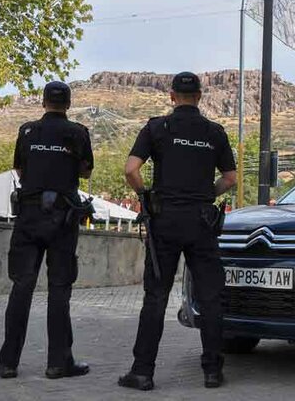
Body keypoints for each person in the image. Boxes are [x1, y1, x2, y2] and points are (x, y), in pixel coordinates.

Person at [118, 71, 236, 391]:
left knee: (155, 298)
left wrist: (146, 196)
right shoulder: (215, 132)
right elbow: (230, 179)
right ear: (199, 96)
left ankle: (142, 372)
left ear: (172, 96)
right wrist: (205, 196)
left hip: (165, 220)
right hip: (200, 222)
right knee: (211, 297)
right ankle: (212, 371)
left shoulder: (157, 128)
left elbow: (131, 169)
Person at [0, 81, 94, 380]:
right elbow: (86, 170)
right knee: (59, 291)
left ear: (43, 103)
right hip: (62, 219)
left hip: (29, 217)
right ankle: (58, 363)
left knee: (21, 288)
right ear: (68, 104)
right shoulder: (78, 132)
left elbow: (20, 170)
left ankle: (8, 363)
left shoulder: (27, 131)